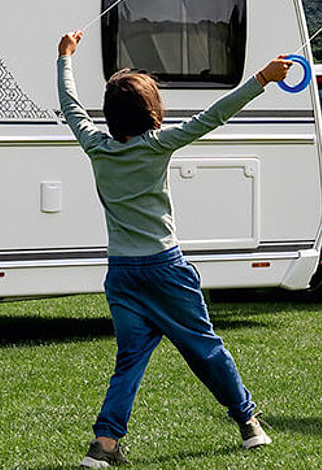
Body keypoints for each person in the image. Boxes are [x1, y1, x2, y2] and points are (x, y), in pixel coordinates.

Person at [56, 29, 293, 467]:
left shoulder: (96, 147)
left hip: (122, 274)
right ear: (151, 112)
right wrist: (263, 77)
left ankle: (105, 445)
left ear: (111, 115)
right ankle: (248, 423)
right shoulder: (158, 144)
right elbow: (213, 116)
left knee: (129, 361)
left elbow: (71, 106)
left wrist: (65, 58)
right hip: (165, 268)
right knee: (205, 347)